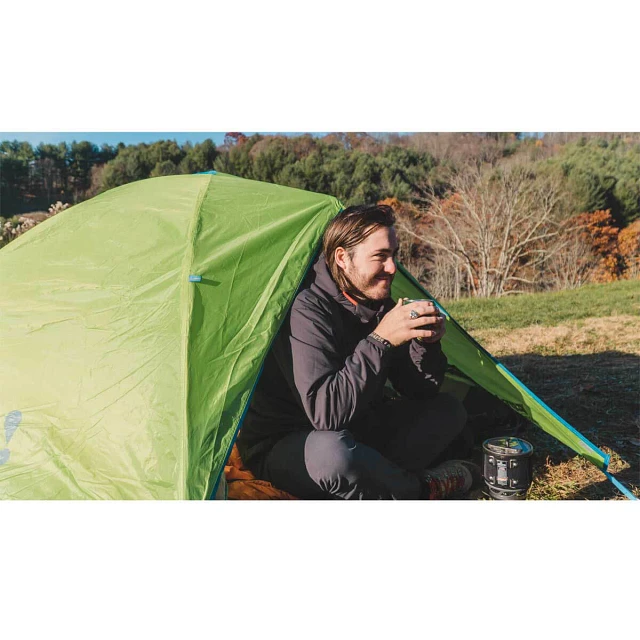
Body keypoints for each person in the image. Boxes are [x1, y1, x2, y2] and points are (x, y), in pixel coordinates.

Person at [236, 204, 480, 499]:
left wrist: (425, 346)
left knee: (448, 410)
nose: (392, 268)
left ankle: (374, 479)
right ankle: (423, 488)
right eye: (380, 257)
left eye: (394, 255)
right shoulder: (306, 307)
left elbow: (418, 390)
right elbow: (325, 414)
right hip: (290, 443)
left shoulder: (377, 300)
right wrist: (381, 340)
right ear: (342, 258)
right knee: (335, 457)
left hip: (359, 425)